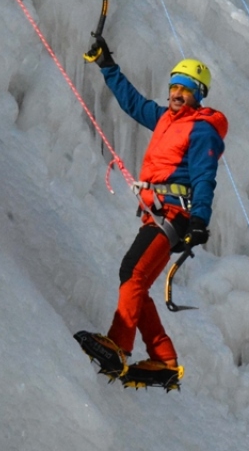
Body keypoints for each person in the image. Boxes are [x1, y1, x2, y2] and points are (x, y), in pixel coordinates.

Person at [76, 36, 228, 384]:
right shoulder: (165, 119)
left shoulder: (201, 129)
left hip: (174, 215)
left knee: (131, 273)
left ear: (198, 94)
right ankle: (164, 360)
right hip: (158, 213)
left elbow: (205, 176)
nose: (176, 93)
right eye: (174, 86)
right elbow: (132, 103)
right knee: (136, 280)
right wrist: (107, 65)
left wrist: (200, 220)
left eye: (185, 89)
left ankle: (118, 346)